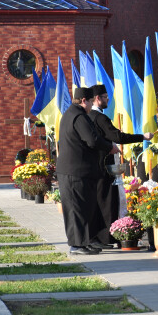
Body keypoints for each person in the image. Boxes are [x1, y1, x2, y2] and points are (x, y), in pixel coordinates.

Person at [89, 84, 153, 247]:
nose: (108, 99)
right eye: (105, 97)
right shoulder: (100, 118)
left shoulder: (88, 116)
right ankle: (107, 237)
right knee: (107, 201)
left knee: (97, 201)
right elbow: (117, 136)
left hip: (93, 165)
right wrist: (142, 136)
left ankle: (97, 236)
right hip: (105, 167)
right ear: (97, 98)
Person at [56, 87, 117, 255]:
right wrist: (109, 147)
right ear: (84, 101)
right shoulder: (78, 116)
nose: (91, 105)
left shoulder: (72, 113)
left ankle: (84, 241)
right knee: (76, 208)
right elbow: (91, 139)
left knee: (84, 207)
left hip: (79, 170)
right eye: (90, 102)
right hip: (73, 170)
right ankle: (76, 245)